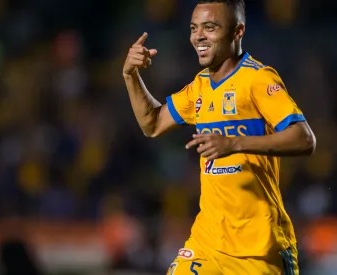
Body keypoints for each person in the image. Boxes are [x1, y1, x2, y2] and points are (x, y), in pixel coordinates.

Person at [122, 0, 316, 274]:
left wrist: (235, 143)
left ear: (237, 32)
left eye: (210, 27)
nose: (198, 36)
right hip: (208, 244)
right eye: (194, 28)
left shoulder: (257, 80)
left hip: (260, 250)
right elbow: (152, 123)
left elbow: (304, 138)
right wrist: (131, 76)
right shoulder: (200, 86)